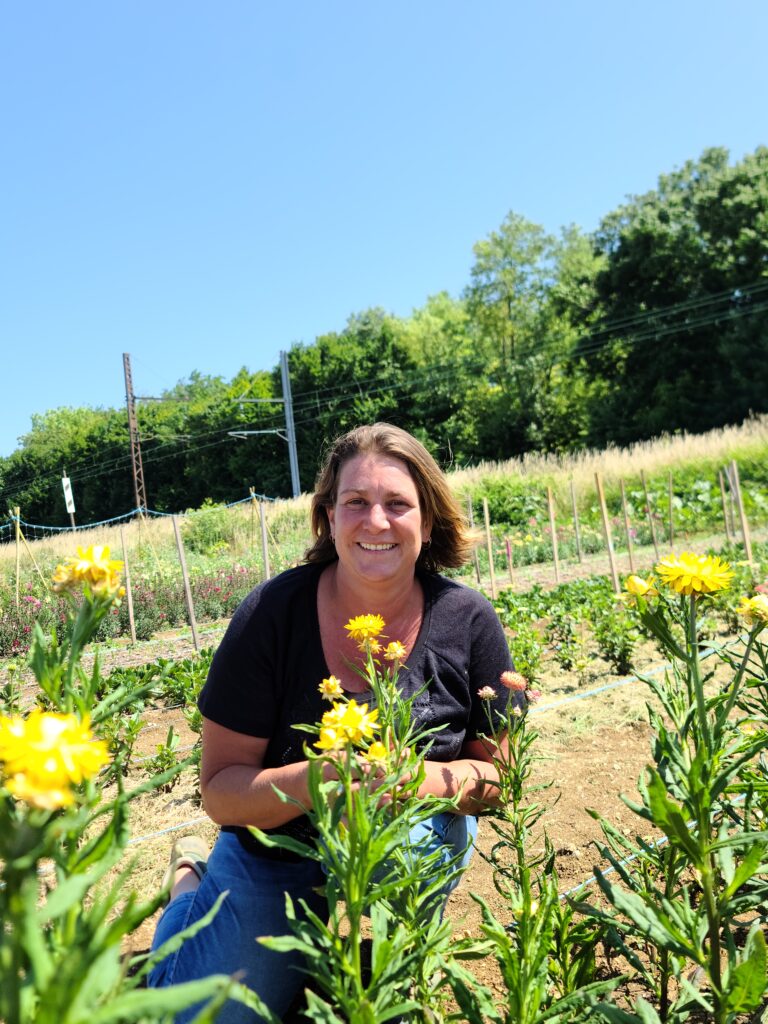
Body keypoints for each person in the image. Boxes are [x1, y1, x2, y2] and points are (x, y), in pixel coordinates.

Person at [149, 423, 514, 1021]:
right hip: (278, 843)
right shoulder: (271, 614)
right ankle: (191, 884)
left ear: (428, 521)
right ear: (328, 518)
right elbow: (220, 790)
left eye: (398, 504)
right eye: (356, 502)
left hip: (412, 837)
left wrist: (411, 779)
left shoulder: (467, 619)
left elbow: (500, 777)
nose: (376, 521)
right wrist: (319, 779)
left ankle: (396, 951)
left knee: (400, 953)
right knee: (209, 1013)